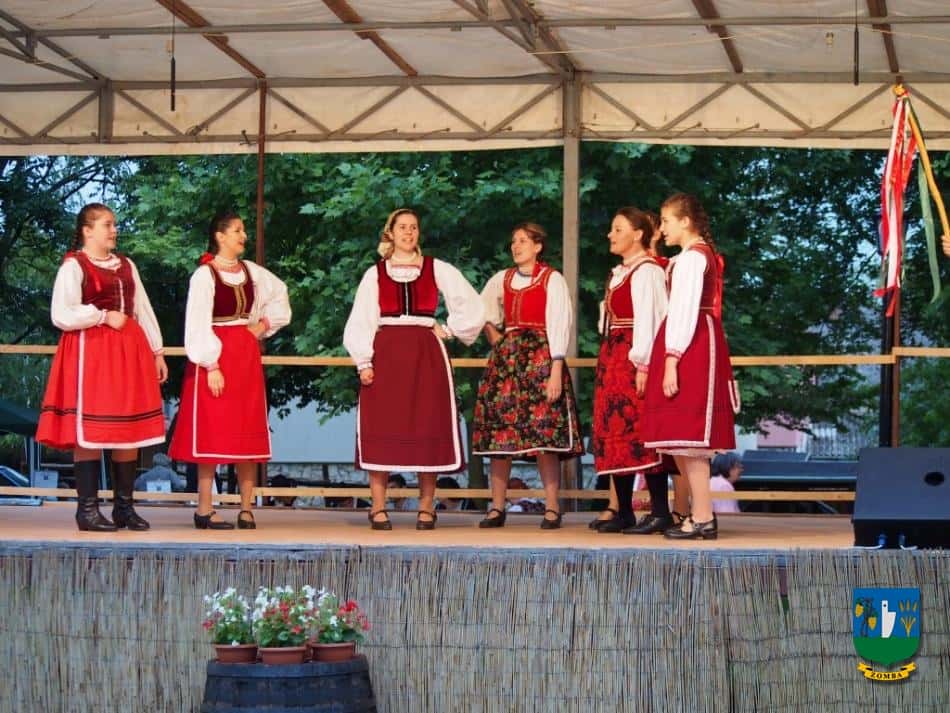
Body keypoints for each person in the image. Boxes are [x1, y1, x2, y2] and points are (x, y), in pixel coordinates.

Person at [343, 208, 484, 531]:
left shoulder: (436, 268)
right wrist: (363, 361)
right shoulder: (375, 274)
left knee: (427, 424)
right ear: (390, 233)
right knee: (381, 425)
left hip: (426, 355)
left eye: (414, 227)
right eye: (403, 227)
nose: (409, 232)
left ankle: (426, 507)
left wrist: (449, 329)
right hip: (386, 354)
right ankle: (378, 507)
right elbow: (361, 318)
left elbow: (472, 305)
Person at [36, 203, 167, 532]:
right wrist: (102, 315)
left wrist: (157, 351)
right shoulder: (74, 266)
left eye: (114, 224)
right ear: (87, 230)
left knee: (129, 429)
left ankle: (124, 508)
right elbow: (61, 313)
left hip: (129, 351)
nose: (114, 230)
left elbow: (142, 308)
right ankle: (88, 510)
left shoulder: (126, 265)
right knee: (90, 429)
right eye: (107, 224)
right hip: (91, 352)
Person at [168, 211, 291, 530]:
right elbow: (196, 322)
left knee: (245, 430)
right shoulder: (205, 275)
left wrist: (263, 325)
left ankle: (246, 508)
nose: (243, 236)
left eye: (243, 230)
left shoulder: (251, 272)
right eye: (237, 230)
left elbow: (280, 294)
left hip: (245, 355)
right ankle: (204, 508)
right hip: (216, 355)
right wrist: (211, 364)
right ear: (220, 236)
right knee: (212, 431)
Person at [472, 222, 584, 530]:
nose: (516, 246)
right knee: (500, 434)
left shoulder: (551, 279)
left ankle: (552, 507)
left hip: (540, 359)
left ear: (538, 246)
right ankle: (497, 507)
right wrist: (494, 334)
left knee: (544, 434)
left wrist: (556, 368)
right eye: (514, 241)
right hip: (507, 361)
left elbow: (560, 322)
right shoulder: (502, 279)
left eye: (522, 241)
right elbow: (479, 309)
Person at [643, 193, 740, 540]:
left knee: (692, 436)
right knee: (682, 437)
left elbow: (684, 311)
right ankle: (699, 514)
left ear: (685, 222)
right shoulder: (689, 257)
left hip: (692, 344)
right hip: (689, 341)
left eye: (667, 220)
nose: (662, 227)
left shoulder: (693, 259)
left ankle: (702, 516)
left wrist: (672, 358)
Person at [589, 207, 667, 533]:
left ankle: (661, 510)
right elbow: (606, 323)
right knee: (614, 430)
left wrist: (644, 364)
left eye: (618, 229)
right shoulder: (619, 272)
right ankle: (623, 511)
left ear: (638, 234)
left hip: (634, 356)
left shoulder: (647, 271)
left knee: (640, 430)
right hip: (614, 355)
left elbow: (652, 318)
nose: (611, 234)